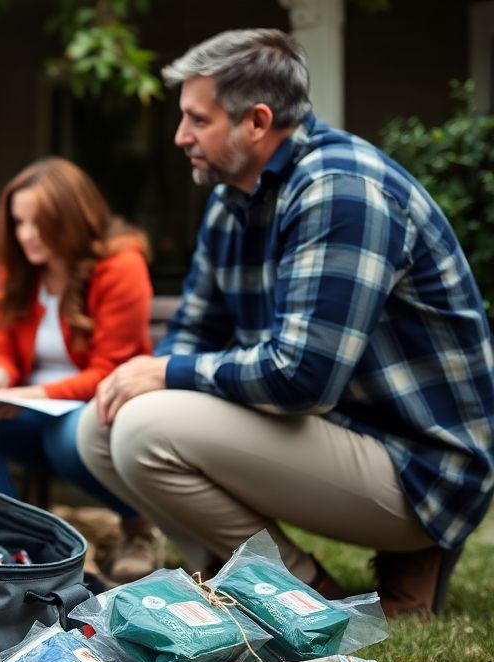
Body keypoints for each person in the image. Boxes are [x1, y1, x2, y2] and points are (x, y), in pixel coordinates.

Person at [78, 29, 494, 619]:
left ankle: (305, 596)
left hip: (419, 466)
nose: (180, 137)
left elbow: (303, 376)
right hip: (331, 434)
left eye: (197, 120)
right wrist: (158, 369)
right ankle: (240, 579)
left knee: (143, 427)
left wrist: (166, 370)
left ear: (256, 122)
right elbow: (196, 328)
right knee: (99, 427)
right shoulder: (233, 200)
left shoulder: (341, 190)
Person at [0, 158, 162, 583]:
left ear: (72, 218)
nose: (26, 235)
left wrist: (32, 396)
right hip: (29, 409)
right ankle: (18, 546)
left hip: (97, 410)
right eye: (19, 223)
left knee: (65, 437)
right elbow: (2, 344)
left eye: (39, 223)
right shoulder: (22, 265)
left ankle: (139, 527)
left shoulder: (121, 266)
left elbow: (108, 372)